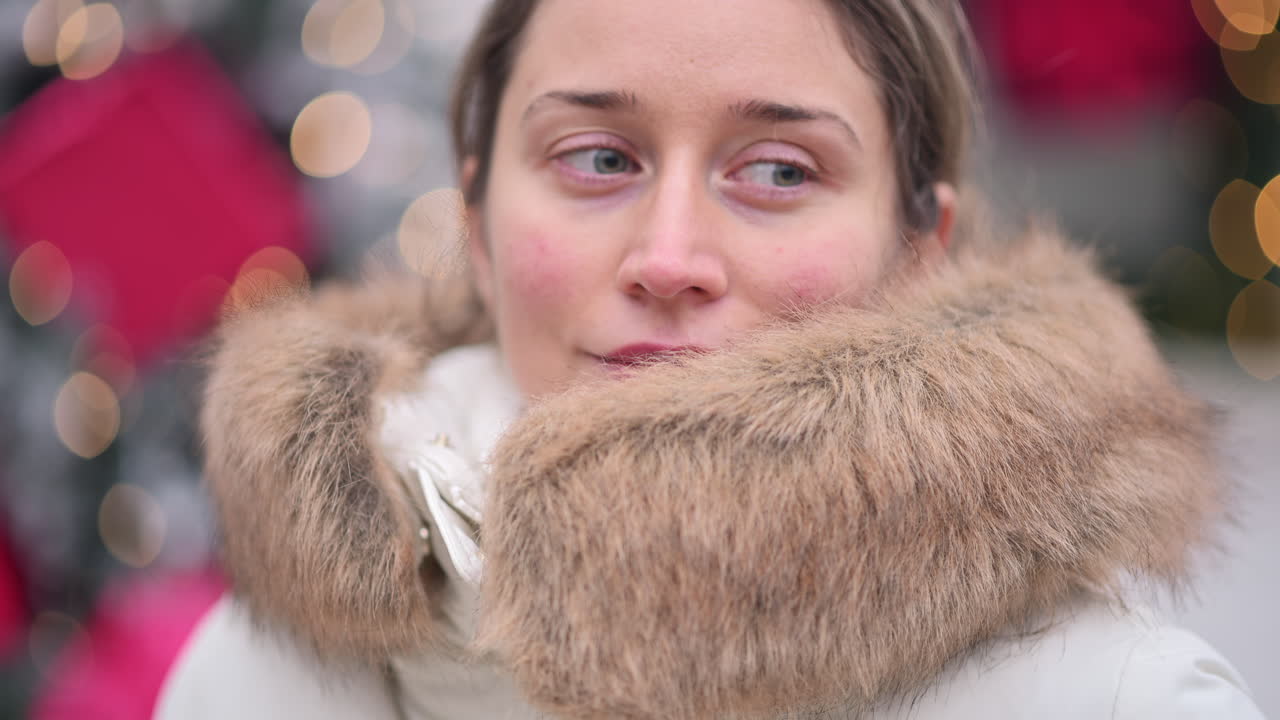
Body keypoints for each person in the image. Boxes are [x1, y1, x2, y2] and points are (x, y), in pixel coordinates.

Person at [155, 0, 1267, 718]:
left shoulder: (1113, 703)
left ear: (920, 250)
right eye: (596, 157)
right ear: (479, 225)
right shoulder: (261, 671)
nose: (669, 257)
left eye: (779, 171)